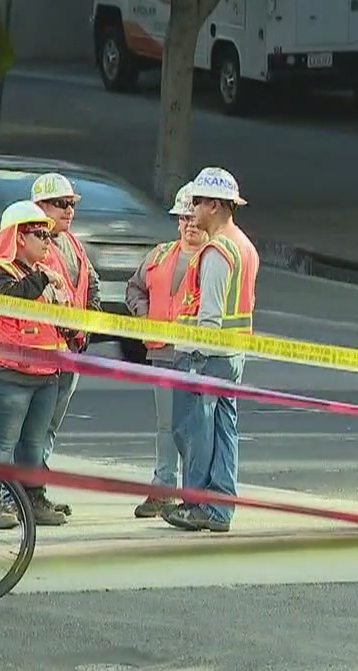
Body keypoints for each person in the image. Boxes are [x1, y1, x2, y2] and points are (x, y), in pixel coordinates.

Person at [163, 168, 260, 533]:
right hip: (232, 355)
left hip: (207, 356)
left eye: (198, 202)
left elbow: (211, 316)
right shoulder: (244, 245)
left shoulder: (218, 250)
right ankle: (220, 508)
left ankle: (198, 504)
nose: (193, 209)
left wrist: (196, 359)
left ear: (215, 206)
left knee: (195, 431)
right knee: (223, 431)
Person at [0, 200, 74, 529]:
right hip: (7, 376)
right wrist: (43, 281)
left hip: (45, 374)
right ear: (18, 237)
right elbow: (12, 301)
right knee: (0, 444)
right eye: (39, 234)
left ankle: (32, 499)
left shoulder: (40, 275)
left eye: (48, 234)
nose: (47, 240)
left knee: (33, 445)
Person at [125, 181, 204, 518]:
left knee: (195, 428)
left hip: (198, 356)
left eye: (194, 219)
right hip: (162, 352)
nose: (189, 225)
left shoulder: (214, 257)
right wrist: (145, 318)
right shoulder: (159, 255)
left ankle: (195, 492)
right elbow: (134, 289)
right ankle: (163, 488)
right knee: (166, 426)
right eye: (183, 219)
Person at [30, 172, 101, 518]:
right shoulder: (32, 246)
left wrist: (90, 325)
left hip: (69, 352)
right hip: (45, 351)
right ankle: (27, 494)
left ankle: (36, 490)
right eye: (61, 204)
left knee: (49, 428)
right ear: (39, 206)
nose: (68, 211)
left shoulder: (72, 243)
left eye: (71, 204)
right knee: (32, 429)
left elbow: (91, 283)